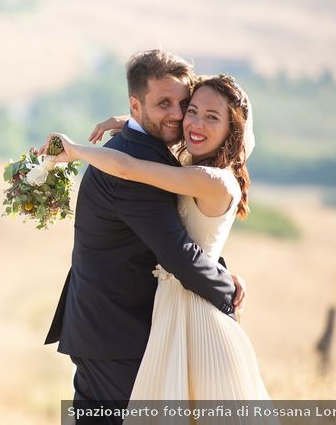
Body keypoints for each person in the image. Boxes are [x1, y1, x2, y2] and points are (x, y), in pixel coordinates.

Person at [41, 50, 247, 422]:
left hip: (106, 328)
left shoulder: (147, 152)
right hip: (117, 333)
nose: (178, 115)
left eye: (183, 103)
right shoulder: (135, 167)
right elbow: (179, 254)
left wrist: (220, 265)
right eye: (163, 103)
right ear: (136, 106)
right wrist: (228, 296)